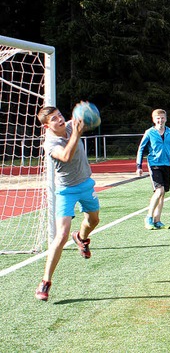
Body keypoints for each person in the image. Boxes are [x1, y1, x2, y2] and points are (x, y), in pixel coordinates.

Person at [35, 106, 100, 301]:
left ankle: (80, 238)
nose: (60, 120)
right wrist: (77, 134)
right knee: (61, 235)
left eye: (60, 115)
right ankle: (45, 282)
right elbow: (66, 156)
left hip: (86, 184)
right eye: (54, 119)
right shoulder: (51, 143)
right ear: (47, 126)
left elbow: (83, 120)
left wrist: (86, 111)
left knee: (94, 221)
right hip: (66, 190)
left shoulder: (72, 125)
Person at [136, 109, 170, 230]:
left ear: (166, 119)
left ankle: (157, 220)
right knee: (159, 191)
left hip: (166, 165)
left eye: (162, 118)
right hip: (154, 164)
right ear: (154, 120)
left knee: (163, 194)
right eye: (158, 118)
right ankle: (148, 218)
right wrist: (139, 166)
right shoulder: (149, 133)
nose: (160, 120)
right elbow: (141, 149)